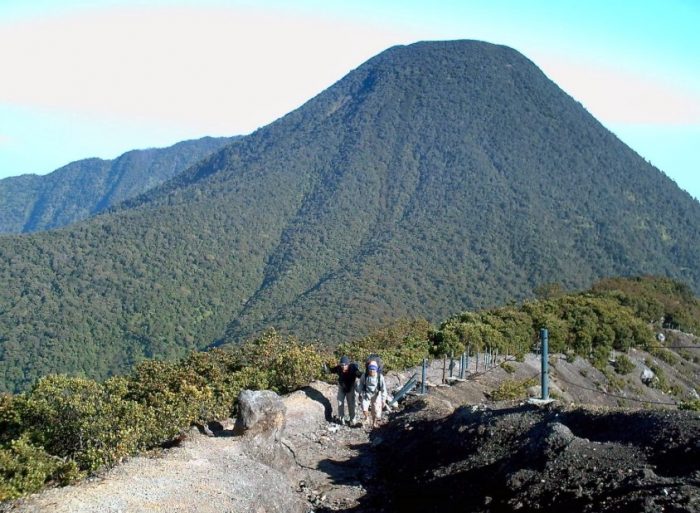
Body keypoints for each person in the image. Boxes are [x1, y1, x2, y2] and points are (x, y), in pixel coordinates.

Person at [328, 355, 362, 425]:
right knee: (340, 402)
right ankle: (341, 419)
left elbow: (359, 374)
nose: (343, 366)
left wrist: (366, 375)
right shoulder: (339, 368)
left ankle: (352, 419)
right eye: (341, 365)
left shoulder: (353, 368)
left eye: (345, 365)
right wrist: (326, 368)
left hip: (350, 387)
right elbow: (331, 370)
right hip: (342, 386)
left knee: (351, 404)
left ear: (348, 364)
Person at [359, 358, 388, 429]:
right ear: (368, 369)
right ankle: (367, 418)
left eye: (373, 369)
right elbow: (361, 385)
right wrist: (360, 394)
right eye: (370, 369)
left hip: (376, 394)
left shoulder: (379, 377)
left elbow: (384, 389)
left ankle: (374, 423)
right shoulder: (364, 375)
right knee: (364, 406)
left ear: (376, 369)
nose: (372, 371)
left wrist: (383, 399)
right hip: (366, 393)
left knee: (375, 410)